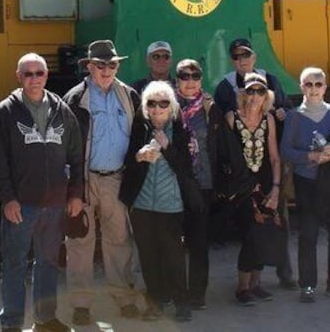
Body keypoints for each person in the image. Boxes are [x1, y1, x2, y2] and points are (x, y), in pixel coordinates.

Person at [0, 53, 84, 332]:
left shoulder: (61, 109)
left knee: (48, 262)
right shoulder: (5, 112)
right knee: (15, 263)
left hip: (55, 204)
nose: (33, 78)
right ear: (18, 77)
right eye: (27, 74)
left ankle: (45, 319)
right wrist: (7, 198)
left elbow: (76, 154)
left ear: (46, 76)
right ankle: (12, 322)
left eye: (39, 73)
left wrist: (75, 193)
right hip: (21, 204)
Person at [62, 40, 141, 325]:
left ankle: (123, 297)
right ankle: (81, 304)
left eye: (112, 64)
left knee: (119, 240)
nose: (107, 70)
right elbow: (67, 147)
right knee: (79, 241)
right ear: (90, 67)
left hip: (116, 178)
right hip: (84, 179)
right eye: (100, 65)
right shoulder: (74, 98)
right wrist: (72, 189)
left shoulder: (129, 96)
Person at [214, 37, 296, 290]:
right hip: (242, 176)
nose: (243, 60)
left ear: (254, 57)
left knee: (277, 222)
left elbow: (287, 107)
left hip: (269, 165)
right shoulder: (225, 87)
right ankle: (247, 284)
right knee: (252, 229)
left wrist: (284, 112)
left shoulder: (270, 79)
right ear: (232, 60)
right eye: (237, 56)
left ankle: (284, 273)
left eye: (246, 55)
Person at [120, 81, 199, 322]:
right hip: (142, 205)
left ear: (172, 106)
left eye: (163, 103)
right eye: (151, 103)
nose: (157, 108)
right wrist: (139, 155)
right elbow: (128, 161)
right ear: (145, 107)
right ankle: (156, 300)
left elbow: (186, 168)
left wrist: (167, 147)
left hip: (170, 205)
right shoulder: (139, 128)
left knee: (173, 255)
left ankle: (181, 301)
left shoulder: (181, 130)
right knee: (148, 255)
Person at [280, 67, 330, 303]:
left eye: (318, 84)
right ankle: (307, 286)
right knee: (308, 235)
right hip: (307, 183)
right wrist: (311, 157)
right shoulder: (294, 116)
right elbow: (286, 150)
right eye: (308, 84)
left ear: (325, 87)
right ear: (301, 87)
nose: (313, 89)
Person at [174, 58, 227, 310]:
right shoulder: (167, 105)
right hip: (173, 184)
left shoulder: (210, 108)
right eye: (185, 76)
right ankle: (176, 291)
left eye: (196, 77)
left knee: (198, 241)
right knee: (173, 241)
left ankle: (197, 293)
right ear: (177, 81)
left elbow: (220, 146)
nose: (191, 81)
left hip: (203, 182)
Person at [225, 73, 282, 306]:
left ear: (266, 95)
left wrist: (276, 188)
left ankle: (256, 284)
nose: (255, 96)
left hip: (265, 184)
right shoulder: (232, 118)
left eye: (260, 91)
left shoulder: (268, 120)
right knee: (250, 235)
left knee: (263, 235)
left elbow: (275, 157)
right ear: (243, 93)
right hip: (242, 188)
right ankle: (242, 287)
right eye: (250, 91)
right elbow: (226, 156)